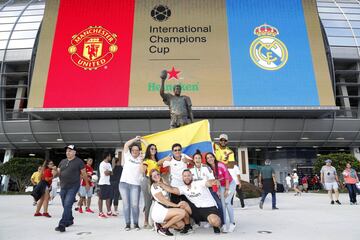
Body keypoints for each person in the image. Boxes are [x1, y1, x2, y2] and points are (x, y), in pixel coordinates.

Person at [157, 169, 222, 234]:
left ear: (191, 176)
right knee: (182, 204)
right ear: (182, 178)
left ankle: (215, 226)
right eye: (185, 176)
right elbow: (172, 189)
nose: (187, 177)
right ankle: (188, 226)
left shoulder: (199, 183)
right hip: (196, 210)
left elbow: (209, 182)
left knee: (215, 221)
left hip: (209, 208)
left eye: (188, 175)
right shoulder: (183, 188)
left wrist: (215, 181)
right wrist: (161, 184)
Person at [55, 145, 90, 233]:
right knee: (65, 204)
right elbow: (58, 173)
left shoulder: (79, 162)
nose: (68, 152)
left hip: (73, 186)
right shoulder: (62, 161)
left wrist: (87, 183)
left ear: (74, 152)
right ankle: (70, 219)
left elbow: (84, 173)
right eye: (67, 151)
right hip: (63, 186)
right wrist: (55, 173)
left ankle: (62, 224)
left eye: (70, 151)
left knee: (67, 204)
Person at [150, 169, 191, 236]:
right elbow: (165, 202)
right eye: (154, 176)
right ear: (151, 178)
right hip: (159, 211)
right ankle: (163, 228)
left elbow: (171, 189)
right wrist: (177, 205)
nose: (157, 176)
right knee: (182, 212)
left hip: (166, 209)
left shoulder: (162, 182)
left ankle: (160, 224)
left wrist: (164, 182)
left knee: (181, 225)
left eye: (158, 174)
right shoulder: (154, 186)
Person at [190, 150, 224, 226]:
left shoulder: (207, 168)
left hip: (209, 190)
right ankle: (201, 221)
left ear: (201, 159)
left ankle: (222, 223)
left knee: (219, 204)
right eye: (196, 158)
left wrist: (217, 191)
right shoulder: (190, 171)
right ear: (193, 160)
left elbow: (213, 180)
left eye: (199, 158)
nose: (197, 160)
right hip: (198, 192)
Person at [206, 152, 236, 233]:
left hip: (230, 184)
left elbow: (226, 177)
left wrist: (226, 189)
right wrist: (218, 191)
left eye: (211, 157)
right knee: (222, 205)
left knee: (227, 202)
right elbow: (215, 181)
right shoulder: (210, 168)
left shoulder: (220, 164)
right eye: (208, 158)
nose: (210, 159)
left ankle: (232, 223)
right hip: (221, 186)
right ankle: (224, 224)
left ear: (214, 157)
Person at [119, 136, 144, 231]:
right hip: (123, 184)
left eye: (137, 150)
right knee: (126, 205)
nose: (134, 151)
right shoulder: (127, 156)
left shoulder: (141, 159)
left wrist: (142, 140)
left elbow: (150, 147)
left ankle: (136, 224)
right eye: (133, 149)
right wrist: (136, 139)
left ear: (139, 151)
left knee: (134, 205)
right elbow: (126, 144)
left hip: (135, 185)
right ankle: (128, 224)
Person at [141, 144, 160, 228]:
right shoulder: (146, 160)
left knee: (156, 201)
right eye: (152, 148)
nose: (154, 150)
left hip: (155, 182)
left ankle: (155, 221)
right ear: (148, 150)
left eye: (155, 149)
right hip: (147, 181)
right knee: (148, 202)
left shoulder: (156, 160)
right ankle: (145, 222)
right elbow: (142, 170)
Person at [98, 152, 114, 218]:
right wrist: (109, 172)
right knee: (101, 198)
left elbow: (111, 173)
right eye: (110, 156)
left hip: (108, 183)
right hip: (102, 183)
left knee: (108, 198)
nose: (110, 157)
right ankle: (100, 213)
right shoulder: (102, 164)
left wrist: (109, 172)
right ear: (107, 156)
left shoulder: (109, 164)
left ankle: (109, 212)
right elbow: (106, 173)